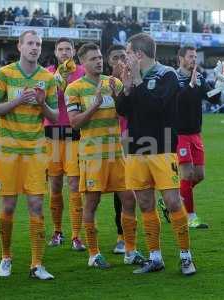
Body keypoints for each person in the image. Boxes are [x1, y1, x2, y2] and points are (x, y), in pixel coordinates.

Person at [115, 33, 196, 275]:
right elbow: (123, 111)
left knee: (172, 201)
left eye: (128, 52)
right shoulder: (134, 77)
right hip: (136, 148)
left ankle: (185, 257)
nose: (125, 57)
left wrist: (137, 80)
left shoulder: (167, 74)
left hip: (161, 147)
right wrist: (126, 87)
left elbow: (156, 108)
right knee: (146, 203)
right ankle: (155, 257)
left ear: (138, 54)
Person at [66, 43, 144, 269]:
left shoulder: (114, 83)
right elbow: (73, 123)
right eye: (93, 59)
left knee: (129, 199)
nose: (98, 61)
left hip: (116, 154)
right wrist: (95, 105)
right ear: (83, 63)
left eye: (100, 57)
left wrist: (127, 88)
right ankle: (93, 254)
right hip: (92, 156)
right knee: (92, 203)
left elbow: (127, 110)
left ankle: (130, 250)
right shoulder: (75, 88)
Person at [0, 30, 58, 280]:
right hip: (8, 152)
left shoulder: (47, 78)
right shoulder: (5, 73)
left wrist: (40, 103)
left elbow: (55, 117)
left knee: (37, 206)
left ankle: (37, 264)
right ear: (19, 46)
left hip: (36, 152)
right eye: (30, 43)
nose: (34, 48)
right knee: (7, 206)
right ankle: (6, 257)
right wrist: (18, 101)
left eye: (38, 44)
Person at [44, 38, 86, 251]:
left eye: (67, 49)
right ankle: (58, 232)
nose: (64, 52)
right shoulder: (48, 73)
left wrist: (69, 80)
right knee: (55, 186)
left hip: (73, 135)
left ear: (74, 51)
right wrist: (59, 77)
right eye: (60, 49)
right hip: (51, 135)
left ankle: (76, 236)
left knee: (74, 186)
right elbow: (48, 97)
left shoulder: (82, 72)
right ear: (55, 51)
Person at [176, 46, 220, 229]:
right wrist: (191, 84)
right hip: (179, 133)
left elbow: (212, 99)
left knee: (199, 175)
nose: (194, 59)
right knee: (187, 174)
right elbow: (177, 100)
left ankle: (174, 199)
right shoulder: (174, 78)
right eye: (190, 56)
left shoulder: (200, 77)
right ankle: (190, 217)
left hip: (196, 133)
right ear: (181, 58)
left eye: (195, 56)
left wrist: (220, 83)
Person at [106, 44, 128, 254]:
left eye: (123, 56)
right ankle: (122, 236)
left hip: (138, 140)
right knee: (120, 191)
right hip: (111, 142)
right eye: (116, 58)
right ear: (109, 61)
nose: (120, 60)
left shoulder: (137, 80)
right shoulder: (103, 83)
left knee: (140, 189)